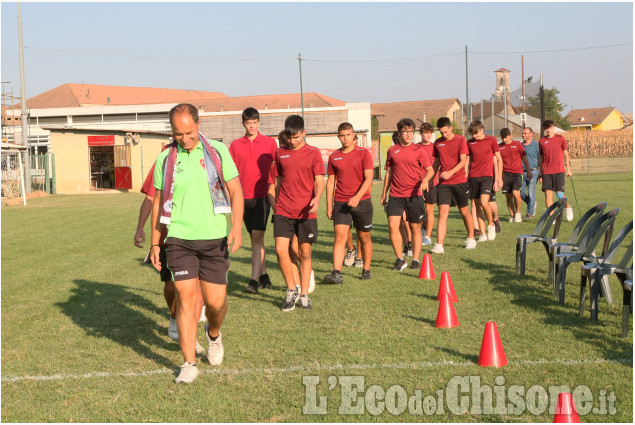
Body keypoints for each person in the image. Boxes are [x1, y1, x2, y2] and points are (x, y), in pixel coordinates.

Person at [150, 103, 244, 384]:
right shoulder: (165, 159)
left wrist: (236, 227)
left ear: (199, 125)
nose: (185, 138)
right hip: (179, 239)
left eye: (189, 132)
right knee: (186, 300)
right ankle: (188, 363)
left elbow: (236, 189)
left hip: (214, 237)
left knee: (215, 303)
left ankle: (213, 335)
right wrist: (156, 242)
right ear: (172, 131)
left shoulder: (217, 152)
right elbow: (158, 202)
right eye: (178, 133)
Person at [134, 162, 205, 354]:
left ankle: (193, 338)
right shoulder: (163, 161)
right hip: (167, 235)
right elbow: (150, 198)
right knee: (171, 285)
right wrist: (140, 227)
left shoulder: (203, 157)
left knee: (194, 288)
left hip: (195, 234)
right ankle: (174, 316)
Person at [268, 115, 324, 311]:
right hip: (284, 209)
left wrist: (316, 199)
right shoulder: (280, 153)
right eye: (290, 137)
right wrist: (274, 202)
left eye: (297, 137)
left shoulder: (313, 153)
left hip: (306, 210)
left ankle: (304, 295)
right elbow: (277, 181)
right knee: (280, 250)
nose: (292, 142)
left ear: (304, 133)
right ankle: (291, 290)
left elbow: (319, 180)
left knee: (305, 252)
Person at [229, 107, 277, 294]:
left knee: (257, 239)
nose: (251, 126)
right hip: (241, 198)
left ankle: (253, 281)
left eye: (254, 122)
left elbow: (278, 168)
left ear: (259, 122)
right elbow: (230, 174)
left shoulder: (269, 143)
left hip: (262, 197)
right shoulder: (235, 145)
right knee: (255, 239)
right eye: (248, 123)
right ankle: (264, 276)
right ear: (243, 124)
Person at [380, 118, 434, 271]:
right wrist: (384, 193)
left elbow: (430, 170)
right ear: (399, 132)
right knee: (392, 226)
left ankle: (415, 259)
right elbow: (389, 172)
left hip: (414, 195)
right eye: (405, 132)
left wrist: (425, 181)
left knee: (415, 227)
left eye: (411, 131)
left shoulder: (419, 150)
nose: (408, 135)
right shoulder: (392, 150)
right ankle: (400, 258)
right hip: (396, 195)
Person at [324, 122, 374, 283]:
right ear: (338, 137)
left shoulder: (363, 153)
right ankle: (336, 272)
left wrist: (357, 197)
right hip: (340, 203)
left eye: (348, 135)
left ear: (353, 136)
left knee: (364, 237)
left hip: (362, 202)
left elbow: (369, 178)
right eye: (342, 135)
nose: (345, 138)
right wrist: (329, 205)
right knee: (340, 237)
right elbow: (331, 182)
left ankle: (366, 269)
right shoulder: (334, 156)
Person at [430, 117, 476, 254]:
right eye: (441, 132)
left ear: (451, 128)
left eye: (446, 132)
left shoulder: (460, 140)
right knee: (442, 214)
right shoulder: (437, 143)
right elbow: (436, 163)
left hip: (460, 182)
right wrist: (429, 180)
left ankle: (471, 238)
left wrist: (450, 172)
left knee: (464, 212)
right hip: (443, 184)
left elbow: (463, 161)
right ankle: (439, 245)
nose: (444, 135)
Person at [466, 120, 502, 242]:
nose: (474, 136)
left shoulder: (491, 140)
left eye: (476, 134)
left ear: (482, 130)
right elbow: (468, 160)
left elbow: (499, 159)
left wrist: (499, 178)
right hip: (473, 177)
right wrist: (466, 174)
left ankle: (491, 225)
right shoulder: (470, 143)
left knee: (484, 202)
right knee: (476, 205)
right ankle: (482, 233)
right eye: (472, 134)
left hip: (487, 176)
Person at [538, 120, 574, 221]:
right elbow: (540, 157)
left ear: (553, 127)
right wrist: (540, 172)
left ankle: (567, 207)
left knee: (559, 194)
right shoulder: (542, 141)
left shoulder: (560, 138)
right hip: (546, 172)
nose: (548, 130)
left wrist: (569, 169)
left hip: (559, 170)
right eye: (546, 128)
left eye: (549, 128)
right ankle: (552, 217)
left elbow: (566, 154)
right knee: (548, 197)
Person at [498, 128, 532, 222]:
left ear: (510, 136)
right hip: (505, 174)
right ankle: (512, 216)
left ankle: (517, 213)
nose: (504, 140)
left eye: (506, 138)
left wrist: (528, 171)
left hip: (517, 173)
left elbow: (524, 158)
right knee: (508, 196)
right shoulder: (499, 147)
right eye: (502, 138)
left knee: (515, 193)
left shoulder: (517, 145)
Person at [418, 123, 438, 246]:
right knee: (418, 210)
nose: (429, 135)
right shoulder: (415, 147)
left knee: (429, 209)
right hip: (417, 184)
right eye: (426, 133)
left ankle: (428, 236)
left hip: (432, 183)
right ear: (420, 134)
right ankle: (422, 228)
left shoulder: (436, 147)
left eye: (430, 133)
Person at [520, 127, 540, 218]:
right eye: (523, 133)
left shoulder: (536, 146)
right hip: (522, 173)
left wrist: (541, 173)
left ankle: (530, 213)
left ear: (531, 134)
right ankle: (532, 204)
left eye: (525, 133)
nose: (523, 135)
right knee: (521, 193)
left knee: (531, 193)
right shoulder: (520, 146)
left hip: (533, 172)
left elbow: (540, 159)